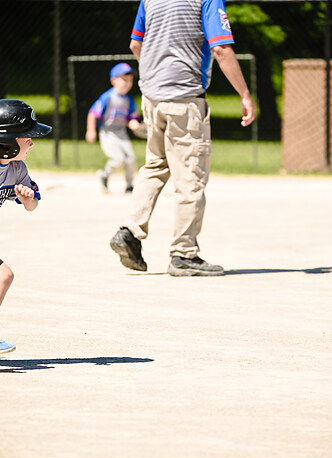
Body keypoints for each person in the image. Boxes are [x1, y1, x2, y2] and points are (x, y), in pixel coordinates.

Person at [110, 0, 256, 276]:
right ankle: (183, 253)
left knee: (155, 166)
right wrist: (245, 95)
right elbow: (221, 48)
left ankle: (129, 230)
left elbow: (135, 45)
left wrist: (156, 77)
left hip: (152, 98)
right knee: (190, 176)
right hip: (185, 99)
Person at [0, 99, 52, 354]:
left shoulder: (17, 169)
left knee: (4, 276)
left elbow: (32, 207)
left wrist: (26, 198)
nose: (32, 142)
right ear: (6, 144)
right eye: (26, 137)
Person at [85, 62, 146, 194]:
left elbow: (131, 118)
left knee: (131, 159)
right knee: (118, 159)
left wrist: (135, 124)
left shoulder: (129, 100)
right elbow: (92, 113)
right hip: (108, 133)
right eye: (123, 79)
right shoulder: (108, 97)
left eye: (130, 80)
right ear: (113, 80)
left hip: (121, 133)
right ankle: (104, 175)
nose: (127, 83)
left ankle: (129, 186)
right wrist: (91, 130)